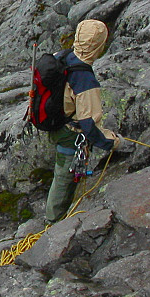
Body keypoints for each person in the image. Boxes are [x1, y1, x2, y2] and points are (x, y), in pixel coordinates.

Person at [44, 19, 122, 224]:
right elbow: (89, 124)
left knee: (61, 173)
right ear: (98, 45)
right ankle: (52, 222)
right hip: (71, 134)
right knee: (63, 177)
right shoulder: (85, 79)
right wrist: (113, 143)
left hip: (56, 123)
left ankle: (55, 216)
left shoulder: (62, 57)